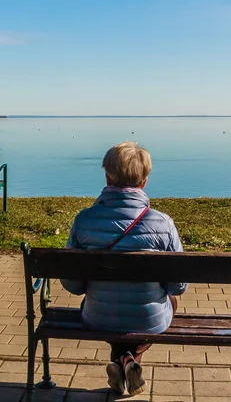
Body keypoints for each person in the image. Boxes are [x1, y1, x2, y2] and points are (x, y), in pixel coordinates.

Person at [61, 141, 187, 397]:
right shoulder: (162, 224)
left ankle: (123, 360)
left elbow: (73, 285)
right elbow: (178, 286)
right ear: (145, 181)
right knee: (169, 303)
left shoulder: (84, 220)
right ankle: (129, 359)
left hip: (98, 316)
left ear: (107, 176)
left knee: (108, 304)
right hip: (149, 321)